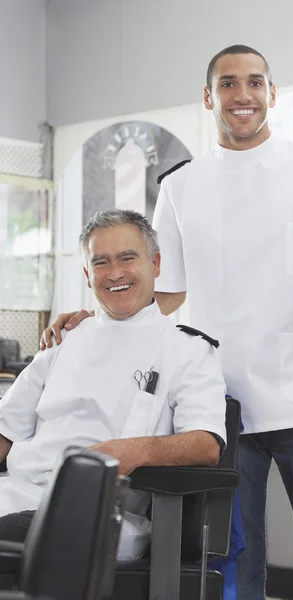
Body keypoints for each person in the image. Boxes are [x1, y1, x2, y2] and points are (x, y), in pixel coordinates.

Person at [42, 46, 293, 600]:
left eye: (255, 82)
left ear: (272, 94)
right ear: (209, 97)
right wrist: (99, 316)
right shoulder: (181, 186)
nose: (243, 95)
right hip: (219, 409)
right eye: (228, 84)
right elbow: (170, 292)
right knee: (230, 576)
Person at [0, 208, 226, 564]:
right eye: (101, 262)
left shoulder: (188, 351)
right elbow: (5, 430)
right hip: (15, 497)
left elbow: (206, 444)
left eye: (127, 258)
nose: (115, 272)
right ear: (88, 276)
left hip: (96, 513)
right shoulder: (64, 339)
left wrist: (128, 450)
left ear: (156, 263)